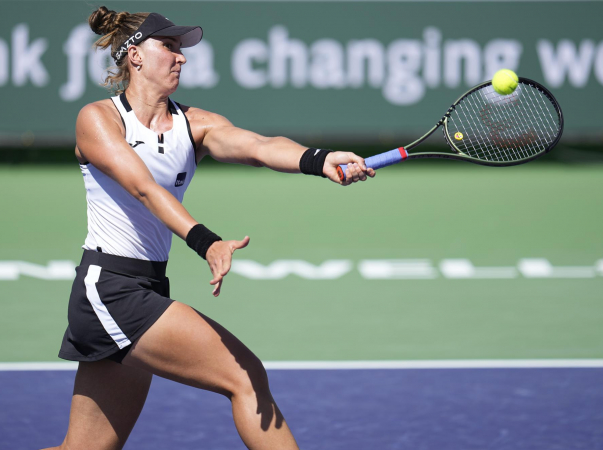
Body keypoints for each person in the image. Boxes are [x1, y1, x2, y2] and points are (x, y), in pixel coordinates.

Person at [45, 6, 374, 450]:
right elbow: (143, 188)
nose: (181, 58)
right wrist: (207, 242)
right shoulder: (99, 119)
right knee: (245, 376)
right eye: (170, 47)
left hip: (144, 287)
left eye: (182, 50)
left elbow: (258, 147)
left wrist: (318, 160)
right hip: (110, 290)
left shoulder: (194, 124)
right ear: (135, 56)